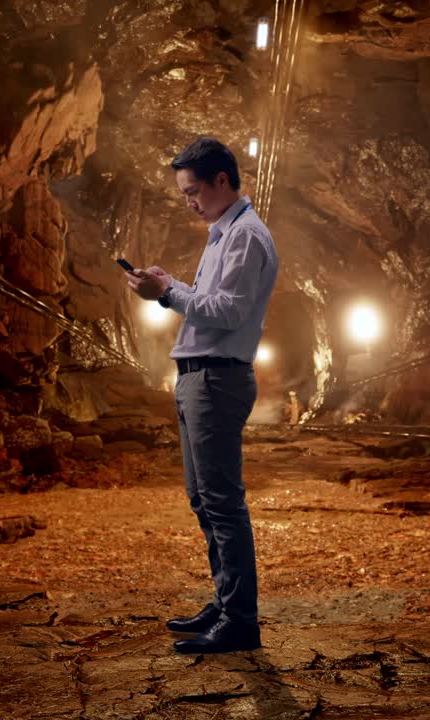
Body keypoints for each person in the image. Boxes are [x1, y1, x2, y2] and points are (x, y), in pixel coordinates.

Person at [126, 137, 279, 654]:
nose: (189, 202)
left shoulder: (245, 237)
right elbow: (212, 301)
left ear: (221, 180)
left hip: (216, 379)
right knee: (204, 500)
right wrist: (171, 284)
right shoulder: (223, 235)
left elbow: (229, 312)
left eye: (193, 191)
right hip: (199, 377)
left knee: (222, 503)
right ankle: (225, 601)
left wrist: (168, 294)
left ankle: (239, 621)